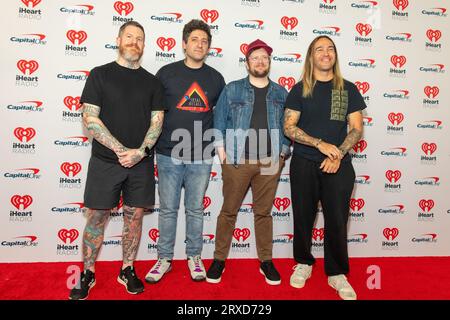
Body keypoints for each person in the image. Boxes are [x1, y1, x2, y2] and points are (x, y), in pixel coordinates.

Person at [69, 21, 165, 300]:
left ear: (144, 45)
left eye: (140, 38)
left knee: (134, 218)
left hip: (141, 163)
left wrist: (140, 152)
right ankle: (87, 271)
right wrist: (121, 149)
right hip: (105, 161)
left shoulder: (153, 82)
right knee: (97, 217)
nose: (134, 42)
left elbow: (157, 123)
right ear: (119, 39)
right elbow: (90, 118)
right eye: (129, 36)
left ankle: (127, 269)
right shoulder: (99, 75)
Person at [283, 35, 366, 300]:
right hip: (304, 162)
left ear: (335, 55)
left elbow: (356, 128)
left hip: (339, 164)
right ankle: (304, 263)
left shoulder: (348, 89)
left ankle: (337, 272)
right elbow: (289, 127)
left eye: (330, 49)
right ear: (311, 57)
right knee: (303, 215)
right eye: (319, 49)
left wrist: (338, 154)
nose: (325, 53)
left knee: (337, 219)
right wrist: (319, 144)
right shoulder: (299, 89)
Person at [144, 19, 225, 283]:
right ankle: (164, 258)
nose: (199, 44)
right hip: (167, 152)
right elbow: (154, 112)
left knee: (195, 209)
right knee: (168, 209)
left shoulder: (216, 78)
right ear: (184, 44)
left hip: (201, 155)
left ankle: (194, 256)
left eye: (204, 41)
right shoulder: (166, 73)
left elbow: (221, 117)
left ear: (208, 47)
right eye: (194, 40)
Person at [206, 39, 290, 285]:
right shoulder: (232, 89)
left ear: (270, 62)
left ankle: (266, 261)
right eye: (255, 58)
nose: (260, 61)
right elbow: (218, 122)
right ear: (247, 63)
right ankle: (219, 259)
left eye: (265, 57)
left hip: (270, 162)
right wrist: (223, 156)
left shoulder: (280, 92)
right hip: (237, 161)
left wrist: (283, 154)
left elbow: (288, 126)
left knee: (263, 213)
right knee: (228, 212)